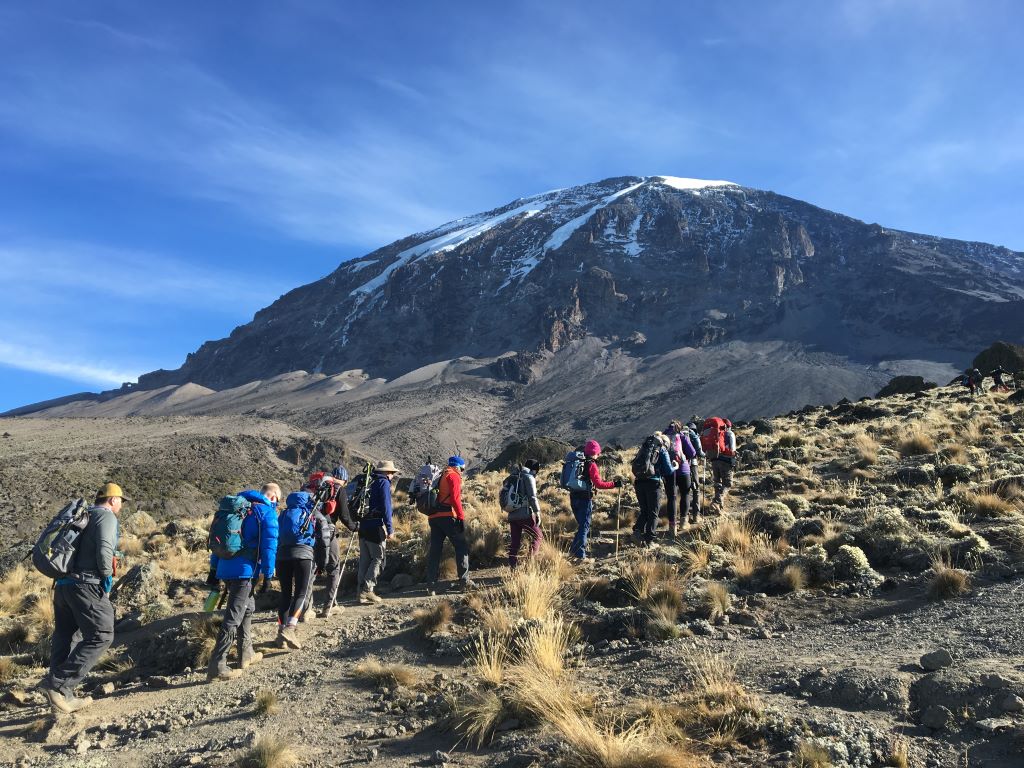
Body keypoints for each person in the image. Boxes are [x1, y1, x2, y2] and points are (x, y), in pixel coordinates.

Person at [41, 483, 126, 713]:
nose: (121, 506)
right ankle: (57, 684)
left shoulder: (84, 514)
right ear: (112, 500)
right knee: (102, 634)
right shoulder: (106, 517)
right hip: (86, 586)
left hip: (63, 585)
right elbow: (104, 551)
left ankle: (61, 697)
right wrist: (107, 577)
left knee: (66, 635)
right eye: (121, 501)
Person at [206, 483, 280, 682]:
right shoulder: (265, 512)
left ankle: (246, 653)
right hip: (245, 572)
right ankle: (217, 664)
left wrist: (214, 570)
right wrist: (268, 574)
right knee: (233, 615)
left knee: (247, 607)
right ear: (273, 497)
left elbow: (218, 541)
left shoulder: (234, 509)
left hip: (225, 567)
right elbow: (269, 545)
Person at [275, 489, 324, 650]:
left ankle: (280, 633)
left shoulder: (283, 514)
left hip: (282, 556)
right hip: (303, 555)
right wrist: (322, 561)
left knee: (285, 593)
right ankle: (290, 628)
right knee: (301, 593)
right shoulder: (311, 513)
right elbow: (323, 537)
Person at [302, 473, 349, 618]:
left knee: (312, 569)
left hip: (309, 532)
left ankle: (306, 609)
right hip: (328, 531)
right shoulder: (337, 489)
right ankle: (330, 606)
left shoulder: (307, 488)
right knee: (333, 567)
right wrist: (354, 527)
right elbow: (345, 515)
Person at [426, 456, 474, 591]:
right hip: (448, 516)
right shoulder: (453, 476)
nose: (462, 472)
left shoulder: (440, 475)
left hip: (433, 517)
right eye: (462, 469)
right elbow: (455, 498)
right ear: (457, 466)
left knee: (435, 551)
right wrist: (460, 517)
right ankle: (464, 582)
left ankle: (431, 584)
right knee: (461, 546)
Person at [570, 440, 621, 560]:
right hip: (584, 499)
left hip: (573, 497)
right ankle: (580, 555)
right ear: (595, 452)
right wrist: (614, 484)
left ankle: (574, 550)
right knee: (585, 526)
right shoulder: (591, 464)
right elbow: (599, 484)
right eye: (598, 453)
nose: (599, 455)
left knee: (582, 526)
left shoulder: (578, 462)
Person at [358, 460, 398, 604]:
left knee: (365, 559)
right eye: (392, 472)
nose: (393, 475)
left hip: (363, 526)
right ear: (387, 472)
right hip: (376, 526)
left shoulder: (368, 482)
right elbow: (386, 507)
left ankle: (360, 592)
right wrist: (390, 528)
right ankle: (367, 590)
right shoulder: (383, 483)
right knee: (378, 558)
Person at [632, 434, 675, 547]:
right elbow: (668, 470)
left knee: (645, 510)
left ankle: (637, 531)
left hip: (639, 482)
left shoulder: (645, 447)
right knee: (653, 513)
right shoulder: (662, 449)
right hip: (654, 484)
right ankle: (649, 540)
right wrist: (675, 466)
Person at [508, 459, 544, 569]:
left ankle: (513, 566)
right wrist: (537, 512)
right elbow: (532, 497)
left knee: (515, 542)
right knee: (538, 536)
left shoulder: (513, 477)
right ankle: (529, 564)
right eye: (536, 471)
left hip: (512, 514)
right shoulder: (529, 477)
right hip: (525, 514)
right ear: (533, 470)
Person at [664, 422, 698, 535]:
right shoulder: (682, 436)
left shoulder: (663, 437)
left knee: (671, 498)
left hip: (669, 471)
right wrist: (685, 458)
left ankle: (672, 526)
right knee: (685, 494)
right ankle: (683, 522)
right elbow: (693, 452)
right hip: (683, 470)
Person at [710, 419, 738, 511]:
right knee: (727, 484)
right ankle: (717, 502)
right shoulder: (730, 434)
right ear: (729, 426)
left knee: (717, 483)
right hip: (726, 461)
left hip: (714, 460)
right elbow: (732, 450)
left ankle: (718, 506)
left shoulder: (715, 433)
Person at [685, 421, 706, 521]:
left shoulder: (681, 435)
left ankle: (685, 515)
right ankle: (696, 515)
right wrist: (705, 455)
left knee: (685, 490)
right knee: (696, 488)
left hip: (682, 466)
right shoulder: (693, 435)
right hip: (693, 464)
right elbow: (699, 452)